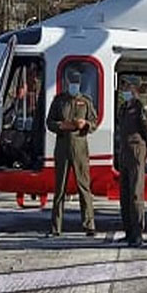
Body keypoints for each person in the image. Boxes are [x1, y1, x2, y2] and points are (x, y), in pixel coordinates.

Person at [46, 69, 97, 237]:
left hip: (80, 148)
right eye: (72, 83)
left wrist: (85, 124)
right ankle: (56, 227)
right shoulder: (59, 101)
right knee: (59, 188)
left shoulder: (86, 101)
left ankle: (89, 225)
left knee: (84, 187)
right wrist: (60, 125)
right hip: (62, 146)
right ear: (68, 83)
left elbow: (94, 122)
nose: (74, 86)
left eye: (77, 83)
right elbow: (49, 122)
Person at [115, 79, 147, 247]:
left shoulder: (140, 107)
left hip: (137, 150)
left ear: (133, 89)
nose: (124, 90)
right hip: (124, 152)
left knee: (136, 193)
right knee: (125, 194)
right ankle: (128, 232)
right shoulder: (123, 108)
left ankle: (137, 234)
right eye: (122, 87)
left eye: (126, 87)